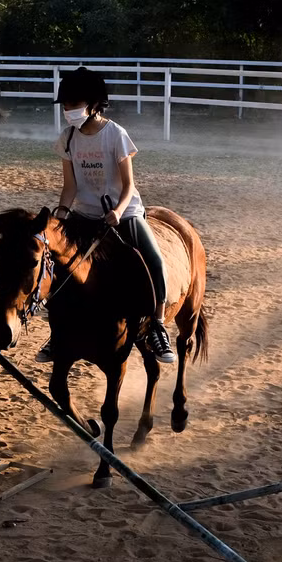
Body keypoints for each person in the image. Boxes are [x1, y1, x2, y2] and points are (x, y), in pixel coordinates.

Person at [37, 66, 175, 365]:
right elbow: (70, 186)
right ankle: (57, 332)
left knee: (154, 261)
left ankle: (158, 324)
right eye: (65, 105)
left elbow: (129, 185)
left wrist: (118, 211)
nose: (68, 110)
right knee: (58, 265)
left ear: (93, 104)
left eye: (73, 104)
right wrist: (61, 216)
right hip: (83, 214)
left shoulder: (116, 135)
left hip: (123, 213)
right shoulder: (68, 138)